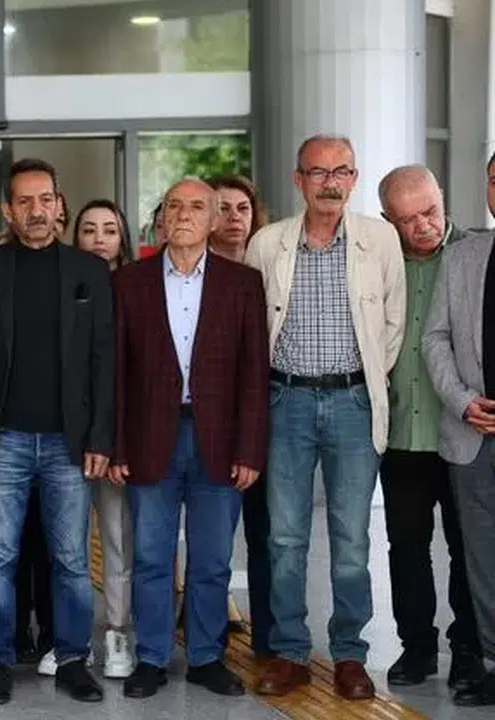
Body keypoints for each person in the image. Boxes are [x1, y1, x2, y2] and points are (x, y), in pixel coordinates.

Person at [246, 134, 406, 700]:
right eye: (318, 172)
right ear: (299, 180)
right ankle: (290, 650)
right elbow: (253, 329)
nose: (330, 183)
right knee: (285, 536)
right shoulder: (268, 243)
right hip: (285, 401)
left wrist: (360, 382)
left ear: (354, 178)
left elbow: (393, 324)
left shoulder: (379, 240)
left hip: (352, 404)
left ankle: (350, 654)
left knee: (351, 538)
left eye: (341, 172)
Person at [111, 178, 269, 699]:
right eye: (174, 206)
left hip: (218, 441)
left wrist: (250, 448)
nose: (183, 215)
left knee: (212, 559)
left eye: (197, 207)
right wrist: (116, 445)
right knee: (152, 557)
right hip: (149, 437)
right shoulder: (128, 282)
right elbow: (115, 372)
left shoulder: (242, 283)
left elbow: (254, 373)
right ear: (161, 218)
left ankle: (205, 657)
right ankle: (152, 657)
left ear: (214, 220)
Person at [0, 159, 114, 705]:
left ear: (59, 205)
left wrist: (100, 437)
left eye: (45, 199)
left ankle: (72, 658)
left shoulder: (89, 270)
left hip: (67, 441)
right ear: (8, 210)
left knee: (72, 558)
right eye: (25, 201)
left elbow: (103, 361)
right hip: (3, 437)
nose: (37, 210)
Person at [377, 166, 484, 694]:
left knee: (469, 548)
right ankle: (416, 646)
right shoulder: (378, 263)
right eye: (408, 218)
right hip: (400, 433)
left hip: (463, 431)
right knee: (406, 547)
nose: (423, 225)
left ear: (442, 198)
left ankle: (468, 648)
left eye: (430, 211)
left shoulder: (473, 256)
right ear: (387, 220)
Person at [422, 185, 495, 708]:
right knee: (483, 558)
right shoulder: (462, 255)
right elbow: (435, 337)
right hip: (475, 434)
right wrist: (461, 401)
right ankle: (492, 662)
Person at [67, 198, 136, 680]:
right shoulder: (65, 284)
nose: (98, 239)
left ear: (122, 238)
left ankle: (117, 630)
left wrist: (115, 441)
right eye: (89, 229)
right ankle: (70, 638)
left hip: (116, 438)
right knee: (68, 544)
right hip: (67, 436)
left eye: (109, 230)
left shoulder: (135, 289)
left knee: (117, 539)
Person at [206, 174, 272, 651]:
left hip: (269, 414)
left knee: (269, 531)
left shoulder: (271, 266)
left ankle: (270, 633)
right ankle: (209, 619)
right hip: (213, 421)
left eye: (242, 208)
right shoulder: (194, 270)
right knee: (213, 533)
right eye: (223, 208)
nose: (234, 218)